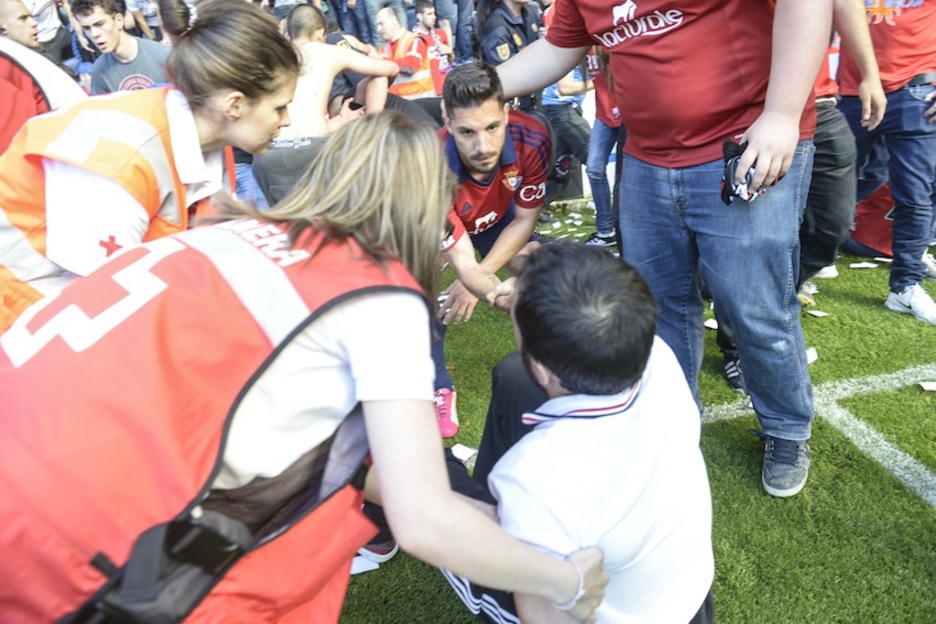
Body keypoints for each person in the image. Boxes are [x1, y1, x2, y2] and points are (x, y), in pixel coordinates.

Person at [0, 111, 608, 623]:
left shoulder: (231, 230)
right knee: (291, 551)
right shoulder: (376, 288)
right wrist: (564, 580)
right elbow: (422, 516)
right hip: (74, 519)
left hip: (30, 445)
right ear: (429, 201)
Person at [495, 0, 833, 498]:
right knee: (659, 305)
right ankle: (673, 416)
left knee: (753, 305)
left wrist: (782, 115)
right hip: (648, 155)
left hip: (743, 144)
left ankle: (786, 429)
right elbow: (558, 46)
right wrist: (481, 85)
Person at [442, 242, 715, 624]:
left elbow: (541, 613)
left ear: (544, 370)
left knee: (439, 483)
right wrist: (531, 297)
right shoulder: (657, 355)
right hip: (687, 597)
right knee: (513, 376)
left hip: (600, 615)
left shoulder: (533, 475)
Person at [0, 0, 299, 333]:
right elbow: (105, 311)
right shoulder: (121, 161)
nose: (286, 121)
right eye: (279, 107)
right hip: (24, 317)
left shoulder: (215, 145)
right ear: (234, 105)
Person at [432, 62, 550, 436]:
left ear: (506, 112)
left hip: (498, 219)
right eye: (467, 132)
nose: (482, 147)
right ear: (447, 120)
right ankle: (438, 385)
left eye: (492, 128)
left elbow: (524, 220)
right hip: (434, 226)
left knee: (539, 269)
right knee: (420, 288)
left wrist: (484, 280)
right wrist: (489, 290)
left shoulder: (534, 137)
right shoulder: (430, 163)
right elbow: (462, 259)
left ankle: (554, 367)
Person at [837, 0, 936, 325]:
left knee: (916, 196)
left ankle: (906, 285)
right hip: (851, 92)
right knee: (828, 186)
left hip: (916, 91)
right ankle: (812, 260)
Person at [281, 2, 398, 138]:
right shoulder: (328, 51)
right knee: (379, 76)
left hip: (275, 145)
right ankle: (372, 137)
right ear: (320, 33)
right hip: (314, 141)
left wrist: (341, 120)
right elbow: (391, 68)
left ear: (289, 34)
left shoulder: (275, 58)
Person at [0, 25, 86, 152]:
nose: (33, 23)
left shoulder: (8, 59)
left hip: (70, 136)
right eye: (23, 19)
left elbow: (14, 144)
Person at [72, 0, 169, 94]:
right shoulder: (99, 72)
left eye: (100, 24)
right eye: (87, 28)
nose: (94, 34)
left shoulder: (163, 55)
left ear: (119, 20)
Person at [476, 0, 542, 111]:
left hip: (533, 93)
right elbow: (505, 74)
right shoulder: (497, 25)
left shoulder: (530, 12)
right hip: (511, 102)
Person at [375, 4, 433, 98]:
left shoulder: (414, 40)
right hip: (398, 102)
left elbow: (411, 66)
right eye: (377, 25)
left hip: (420, 99)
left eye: (381, 24)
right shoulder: (383, 49)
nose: (378, 29)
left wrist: (382, 60)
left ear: (393, 20)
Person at [413, 0, 451, 95]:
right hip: (428, 90)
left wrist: (450, 52)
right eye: (429, 14)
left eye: (434, 13)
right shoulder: (413, 39)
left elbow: (451, 61)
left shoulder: (441, 33)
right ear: (419, 16)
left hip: (446, 88)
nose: (434, 17)